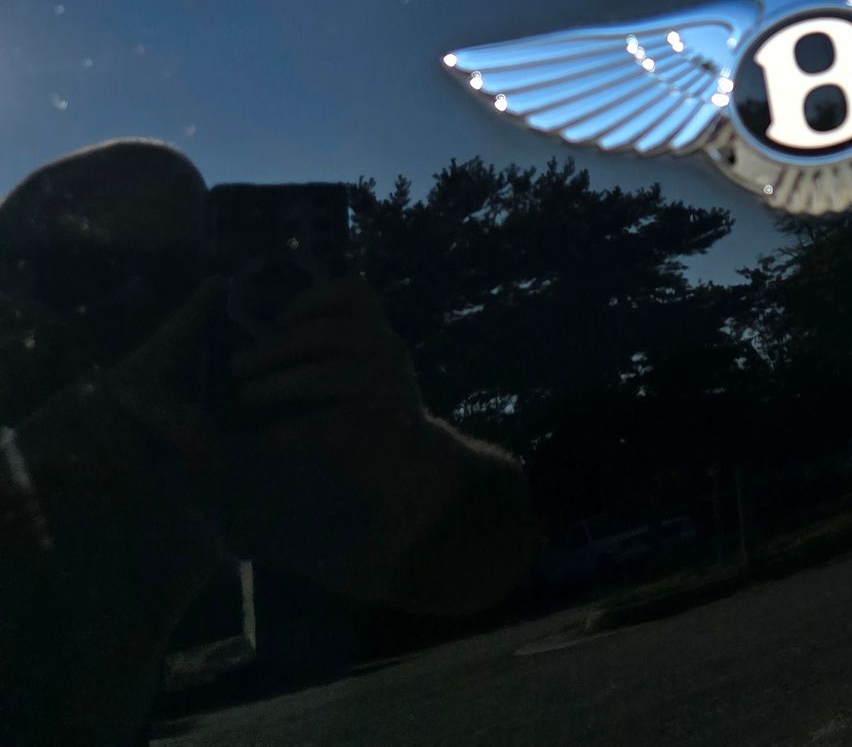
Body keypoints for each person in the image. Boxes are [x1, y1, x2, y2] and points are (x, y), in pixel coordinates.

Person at [0, 139, 533, 747]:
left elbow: (473, 567)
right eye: (77, 271)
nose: (135, 305)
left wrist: (405, 446)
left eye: (177, 274)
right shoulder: (124, 444)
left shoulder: (196, 453)